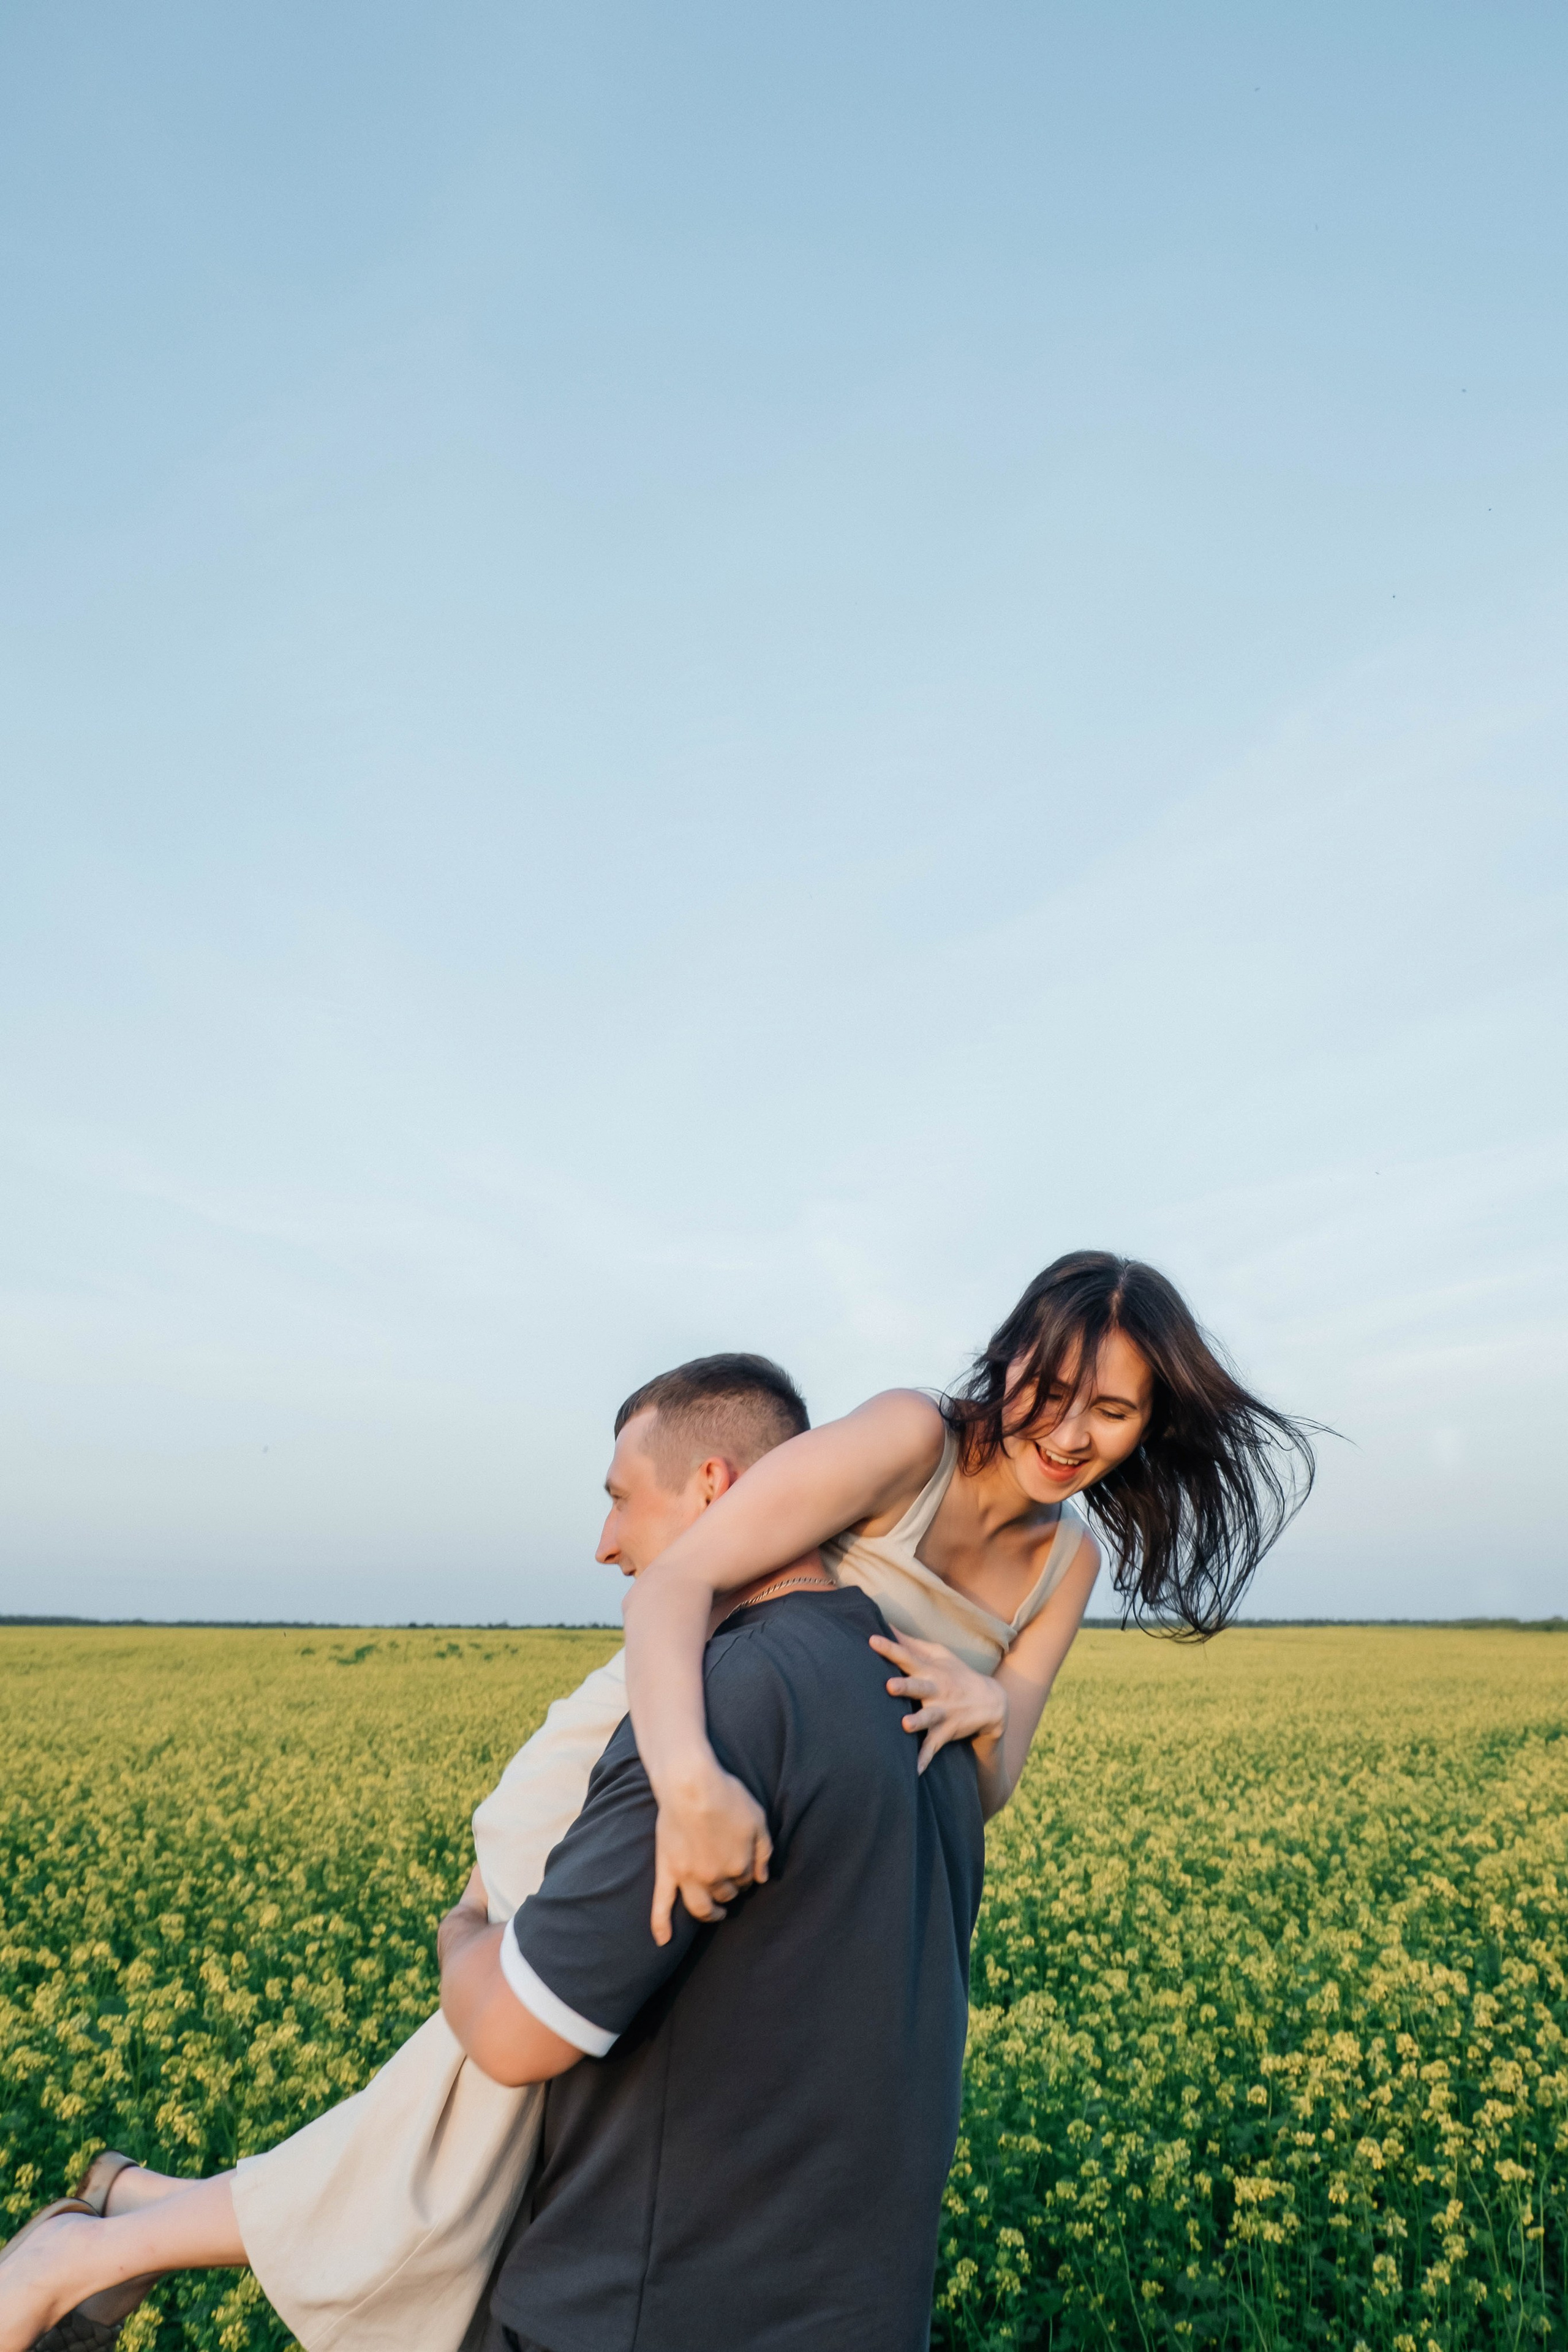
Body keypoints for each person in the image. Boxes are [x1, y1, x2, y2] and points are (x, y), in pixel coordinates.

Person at [0, 1254, 1315, 2352]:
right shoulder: (910, 1436)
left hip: (776, 1777)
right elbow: (673, 1586)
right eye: (1057, 1386)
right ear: (1009, 1354)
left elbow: (996, 1777)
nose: (1073, 1431)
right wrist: (685, 1786)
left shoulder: (1065, 1563)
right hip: (658, 1727)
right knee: (487, 2093)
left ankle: (127, 2221)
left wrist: (987, 1716)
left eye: (1119, 1414)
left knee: (473, 2117)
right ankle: (90, 2251)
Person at [439, 1551, 982, 2352]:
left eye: (624, 1496)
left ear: (714, 1488)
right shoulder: (937, 1703)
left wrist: (464, 1927)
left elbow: (512, 2034)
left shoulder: (717, 1698)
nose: (606, 1541)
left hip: (642, 2309)